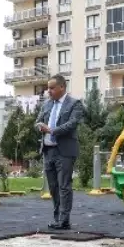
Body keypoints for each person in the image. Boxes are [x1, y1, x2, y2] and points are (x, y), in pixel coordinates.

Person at [35, 74, 83, 230]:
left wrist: (52, 130)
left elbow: (72, 124)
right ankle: (57, 218)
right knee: (53, 187)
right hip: (48, 150)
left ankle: (64, 220)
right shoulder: (47, 104)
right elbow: (37, 121)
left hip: (65, 151)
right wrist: (40, 126)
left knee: (64, 186)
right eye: (48, 88)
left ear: (62, 87)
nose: (48, 91)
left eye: (52, 88)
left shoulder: (75, 104)